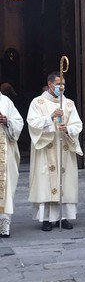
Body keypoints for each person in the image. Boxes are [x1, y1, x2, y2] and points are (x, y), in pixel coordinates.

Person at [27, 71, 83, 231]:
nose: (61, 87)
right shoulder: (38, 103)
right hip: (46, 149)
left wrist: (68, 129)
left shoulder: (69, 104)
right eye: (58, 84)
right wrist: (50, 118)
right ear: (50, 84)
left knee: (65, 181)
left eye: (63, 84)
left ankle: (64, 217)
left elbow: (78, 124)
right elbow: (32, 123)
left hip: (64, 149)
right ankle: (46, 219)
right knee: (46, 182)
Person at [0, 91, 24, 237]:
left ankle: (3, 225)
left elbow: (18, 121)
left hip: (4, 150)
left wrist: (6, 120)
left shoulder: (5, 101)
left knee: (5, 186)